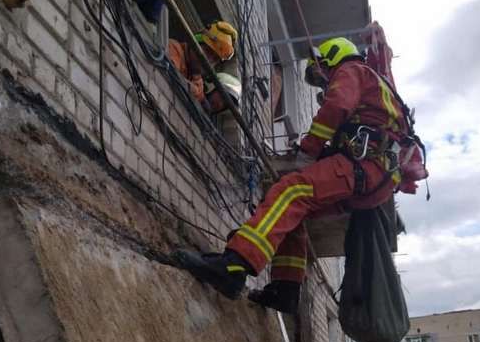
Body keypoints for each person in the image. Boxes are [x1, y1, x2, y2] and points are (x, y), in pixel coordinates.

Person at [176, 36, 413, 313]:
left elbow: (336, 106)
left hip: (366, 166)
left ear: (331, 57)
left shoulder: (352, 71)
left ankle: (233, 266)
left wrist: (308, 150)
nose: (324, 81)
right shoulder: (374, 86)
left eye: (322, 72)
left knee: (290, 190)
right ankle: (285, 290)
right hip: (374, 177)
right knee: (295, 211)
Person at [168, 21, 241, 113]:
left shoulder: (197, 78)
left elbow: (203, 103)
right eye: (208, 51)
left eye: (215, 59)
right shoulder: (174, 48)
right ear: (196, 43)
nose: (209, 60)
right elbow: (170, 74)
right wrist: (195, 90)